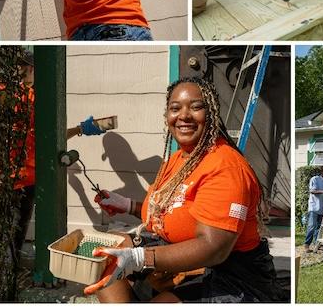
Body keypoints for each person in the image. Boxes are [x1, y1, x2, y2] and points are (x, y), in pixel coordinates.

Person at [85, 78, 287, 303]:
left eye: (196, 107)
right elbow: (171, 211)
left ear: (211, 113)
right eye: (175, 108)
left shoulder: (225, 167)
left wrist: (139, 257)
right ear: (167, 116)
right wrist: (127, 205)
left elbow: (214, 248)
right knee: (104, 254)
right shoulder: (179, 159)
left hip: (230, 273)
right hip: (189, 262)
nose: (184, 115)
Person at [9, 50, 106, 260]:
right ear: (33, 70)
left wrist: (79, 129)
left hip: (20, 175)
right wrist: (81, 129)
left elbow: (44, 136)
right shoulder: (31, 98)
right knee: (14, 231)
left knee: (9, 232)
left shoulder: (12, 94)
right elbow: (50, 136)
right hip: (20, 177)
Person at [304, 166, 323, 252]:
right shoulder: (314, 179)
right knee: (312, 226)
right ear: (321, 173)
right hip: (314, 207)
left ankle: (317, 244)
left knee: (319, 227)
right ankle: (307, 245)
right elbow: (312, 191)